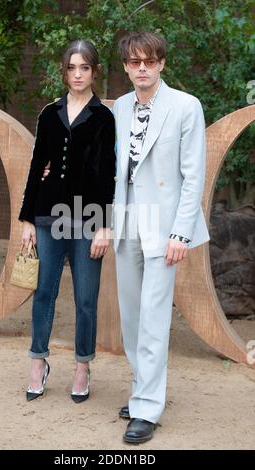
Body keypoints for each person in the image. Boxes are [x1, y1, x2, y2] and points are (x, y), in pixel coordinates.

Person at [112, 32, 210, 443]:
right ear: (126, 67)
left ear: (162, 64)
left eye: (149, 62)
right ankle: (143, 391)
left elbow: (193, 177)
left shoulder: (186, 106)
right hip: (126, 219)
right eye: (134, 63)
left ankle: (148, 407)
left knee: (154, 317)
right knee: (133, 317)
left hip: (164, 224)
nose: (142, 69)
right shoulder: (118, 107)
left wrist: (179, 233)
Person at [18, 40, 116, 403]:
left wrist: (105, 225)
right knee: (44, 291)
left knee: (85, 299)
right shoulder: (49, 113)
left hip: (89, 219)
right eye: (72, 67)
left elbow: (108, 174)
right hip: (47, 216)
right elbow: (35, 166)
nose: (78, 74)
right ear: (65, 71)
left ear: (94, 72)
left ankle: (81, 367)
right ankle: (38, 361)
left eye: (85, 68)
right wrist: (27, 218)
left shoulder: (105, 118)